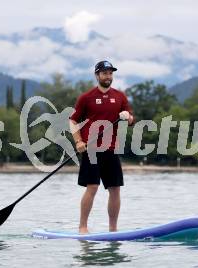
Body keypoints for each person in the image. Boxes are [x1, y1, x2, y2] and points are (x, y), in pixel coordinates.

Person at [69, 60, 135, 234]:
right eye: (105, 73)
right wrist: (78, 141)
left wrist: (127, 116)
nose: (108, 76)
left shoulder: (120, 96)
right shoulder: (86, 97)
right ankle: (82, 227)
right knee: (92, 187)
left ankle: (113, 229)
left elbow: (131, 120)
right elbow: (73, 120)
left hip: (112, 149)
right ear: (97, 75)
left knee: (115, 189)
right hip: (91, 150)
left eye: (110, 73)